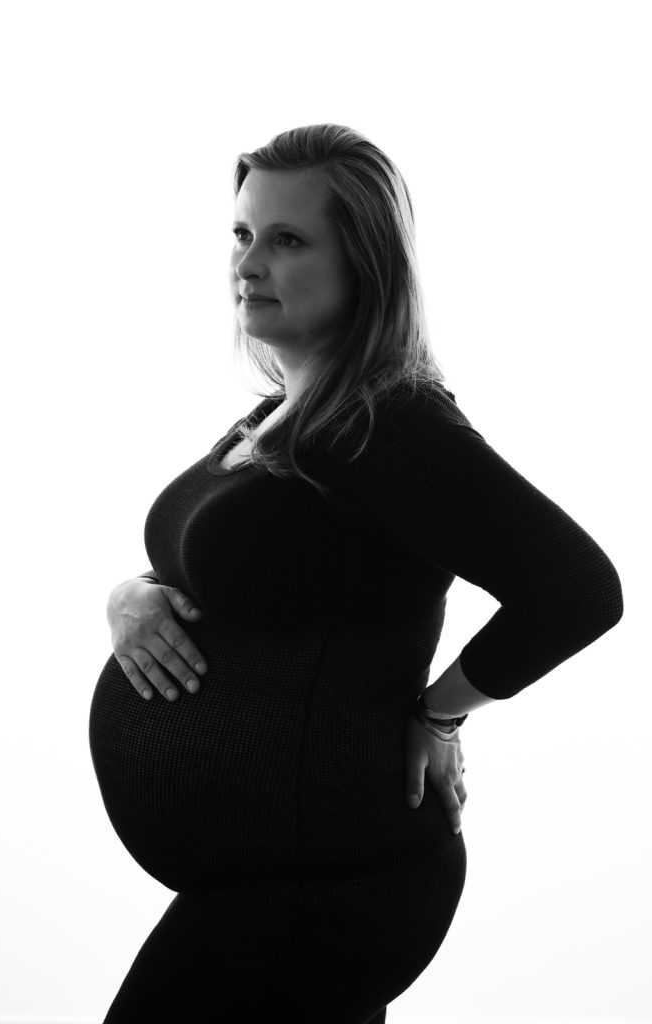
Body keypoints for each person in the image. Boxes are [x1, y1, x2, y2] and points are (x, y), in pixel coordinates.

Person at [88, 124, 624, 1023]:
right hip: (276, 882)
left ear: (365, 262)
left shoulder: (388, 421)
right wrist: (128, 598)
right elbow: (211, 567)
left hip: (329, 881)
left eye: (287, 240)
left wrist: (439, 707)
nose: (248, 264)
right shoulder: (284, 413)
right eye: (241, 235)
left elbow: (575, 588)